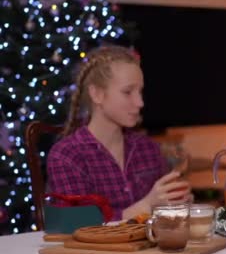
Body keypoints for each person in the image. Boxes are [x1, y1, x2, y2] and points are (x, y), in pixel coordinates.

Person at [47, 46, 191, 221]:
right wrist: (145, 206)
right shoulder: (66, 155)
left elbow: (166, 214)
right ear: (97, 94)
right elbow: (75, 225)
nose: (140, 102)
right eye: (128, 92)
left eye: (140, 92)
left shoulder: (148, 148)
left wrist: (177, 203)